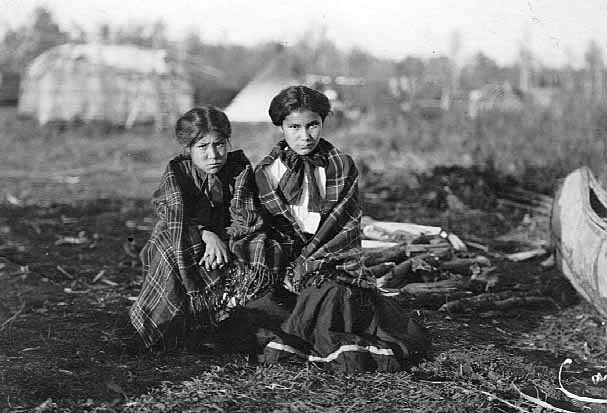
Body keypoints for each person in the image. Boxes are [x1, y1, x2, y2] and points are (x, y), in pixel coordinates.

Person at [230, 86, 429, 373]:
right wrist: (281, 265)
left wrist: (310, 264)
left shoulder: (340, 165)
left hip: (332, 263)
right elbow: (261, 230)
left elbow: (343, 226)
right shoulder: (265, 173)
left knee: (328, 294)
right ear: (281, 127)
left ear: (322, 123)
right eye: (294, 127)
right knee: (260, 310)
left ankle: (312, 335)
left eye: (312, 125)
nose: (305, 136)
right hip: (285, 268)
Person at [129, 106, 283, 348]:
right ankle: (168, 327)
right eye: (202, 147)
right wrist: (204, 234)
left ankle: (222, 319)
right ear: (188, 149)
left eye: (219, 144)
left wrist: (224, 239)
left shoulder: (238, 169)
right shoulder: (178, 172)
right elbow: (172, 214)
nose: (213, 155)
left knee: (265, 248)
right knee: (169, 248)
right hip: (188, 236)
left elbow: (246, 216)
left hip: (229, 238)